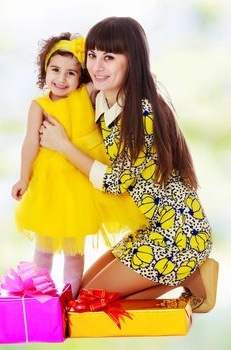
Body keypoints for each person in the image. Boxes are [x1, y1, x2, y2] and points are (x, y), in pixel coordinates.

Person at [39, 17, 219, 312]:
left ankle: (191, 275)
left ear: (131, 60)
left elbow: (114, 182)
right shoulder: (101, 101)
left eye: (109, 57)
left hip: (179, 236)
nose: (97, 67)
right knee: (81, 293)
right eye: (93, 56)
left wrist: (63, 146)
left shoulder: (142, 112)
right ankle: (189, 274)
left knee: (89, 305)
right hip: (152, 230)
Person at [11, 32, 147, 298]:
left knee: (74, 251)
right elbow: (30, 142)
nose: (62, 79)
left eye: (71, 73)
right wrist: (23, 178)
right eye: (55, 70)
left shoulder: (85, 94)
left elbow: (112, 79)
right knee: (44, 247)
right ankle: (41, 299)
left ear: (82, 76)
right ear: (45, 71)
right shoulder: (38, 106)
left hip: (82, 182)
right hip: (50, 183)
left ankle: (70, 298)